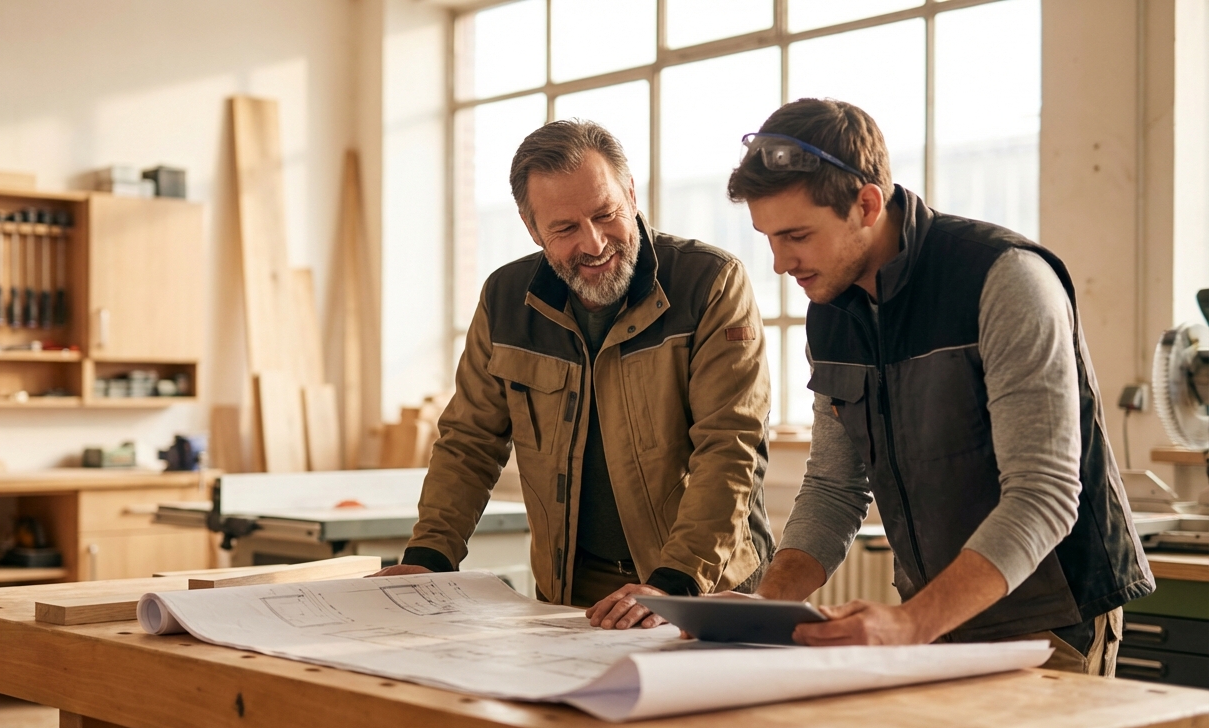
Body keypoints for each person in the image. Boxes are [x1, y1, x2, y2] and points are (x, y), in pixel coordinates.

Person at [726, 99, 1151, 675]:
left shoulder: (1004, 279)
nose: (779, 263)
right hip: (929, 622)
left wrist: (909, 624)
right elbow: (833, 488)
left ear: (867, 204)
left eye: (796, 235)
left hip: (1049, 622)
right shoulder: (831, 311)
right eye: (768, 238)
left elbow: (1043, 494)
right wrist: (761, 606)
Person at [371, 120, 775, 631]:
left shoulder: (711, 283)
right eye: (564, 229)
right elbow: (469, 443)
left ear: (631, 193)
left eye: (606, 215)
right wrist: (429, 557)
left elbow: (729, 445)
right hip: (571, 596)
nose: (594, 242)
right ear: (531, 226)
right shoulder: (505, 300)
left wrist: (674, 585)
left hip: (703, 586)